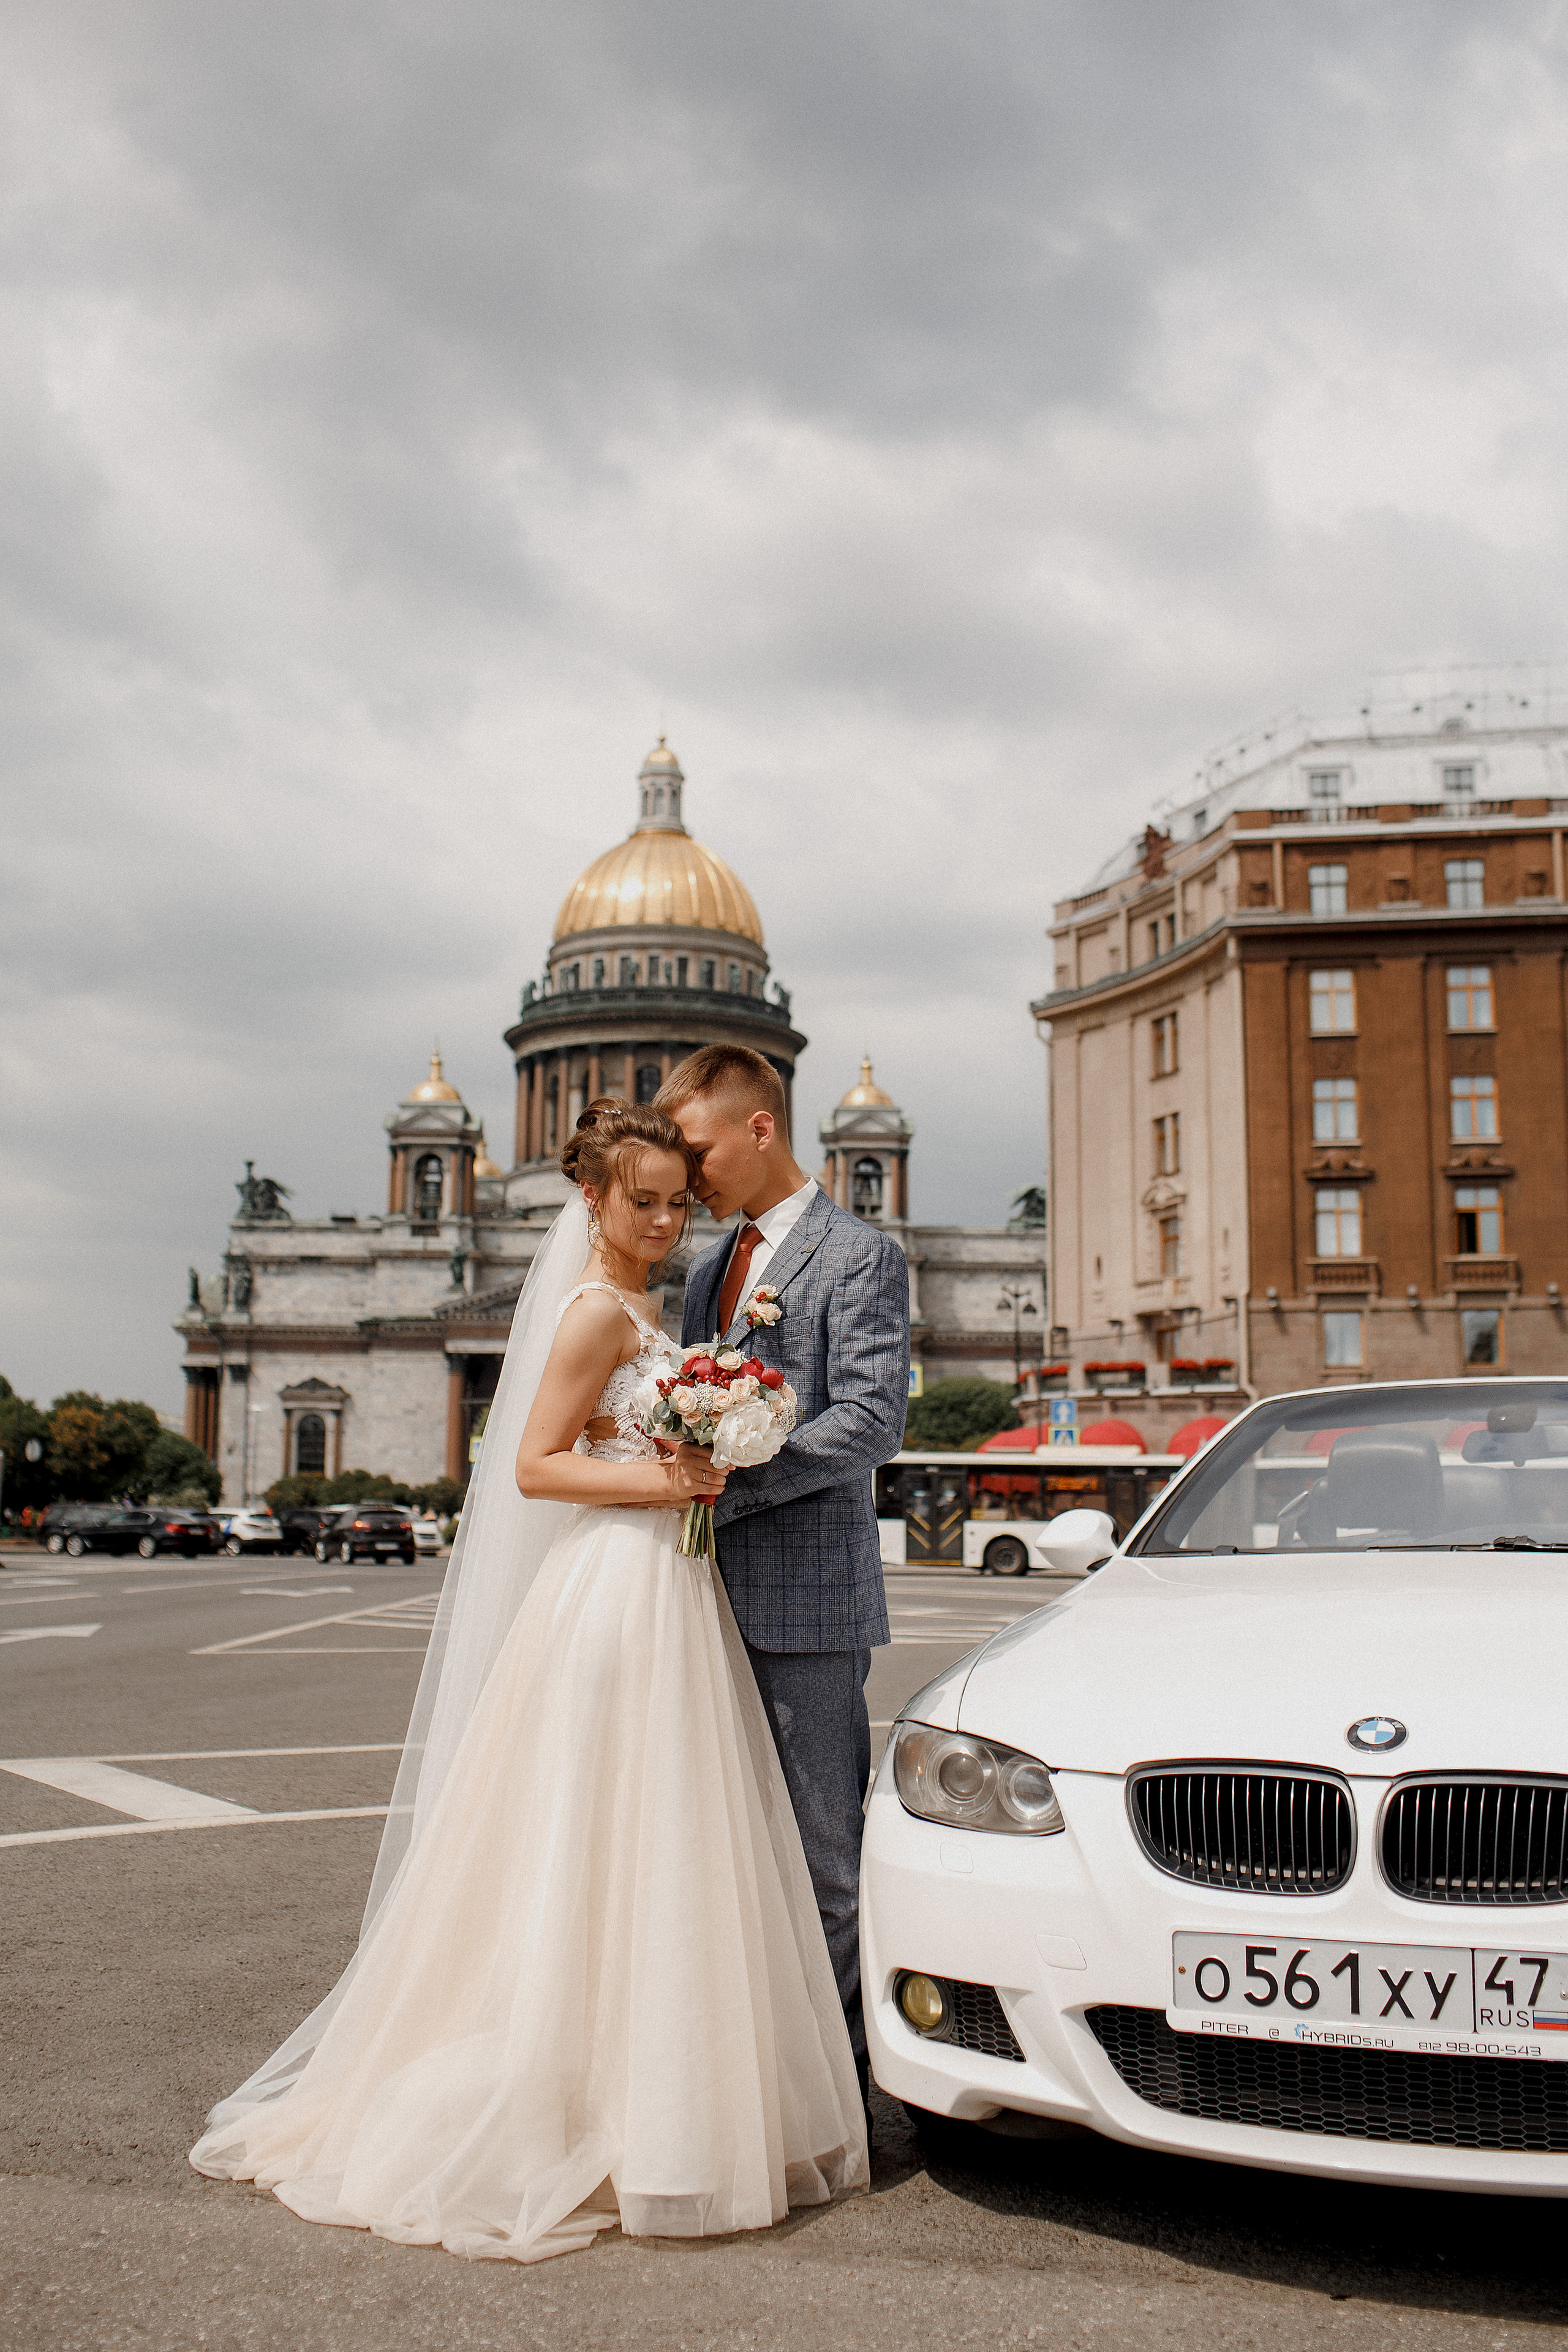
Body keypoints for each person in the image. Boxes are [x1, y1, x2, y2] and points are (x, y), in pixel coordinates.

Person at [189, 1099, 866, 2264]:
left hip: (666, 1592)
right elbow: (535, 1467)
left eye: (674, 1201)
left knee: (656, 1842)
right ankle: (594, 2099)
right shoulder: (598, 1312)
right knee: (604, 1837)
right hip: (619, 1586)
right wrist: (677, 1483)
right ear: (590, 1199)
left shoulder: (658, 1304)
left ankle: (642, 2090)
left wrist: (706, 1454)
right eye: (639, 1200)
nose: (663, 1220)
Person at [657, 1046, 910, 2103]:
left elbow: (869, 1419)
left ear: (759, 1129)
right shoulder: (711, 1269)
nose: (687, 1171)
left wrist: (731, 1481)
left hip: (805, 1601)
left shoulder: (859, 1255)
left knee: (821, 1857)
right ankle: (747, 2065)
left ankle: (838, 2086)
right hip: (696, 1596)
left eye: (698, 1147)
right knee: (714, 1848)